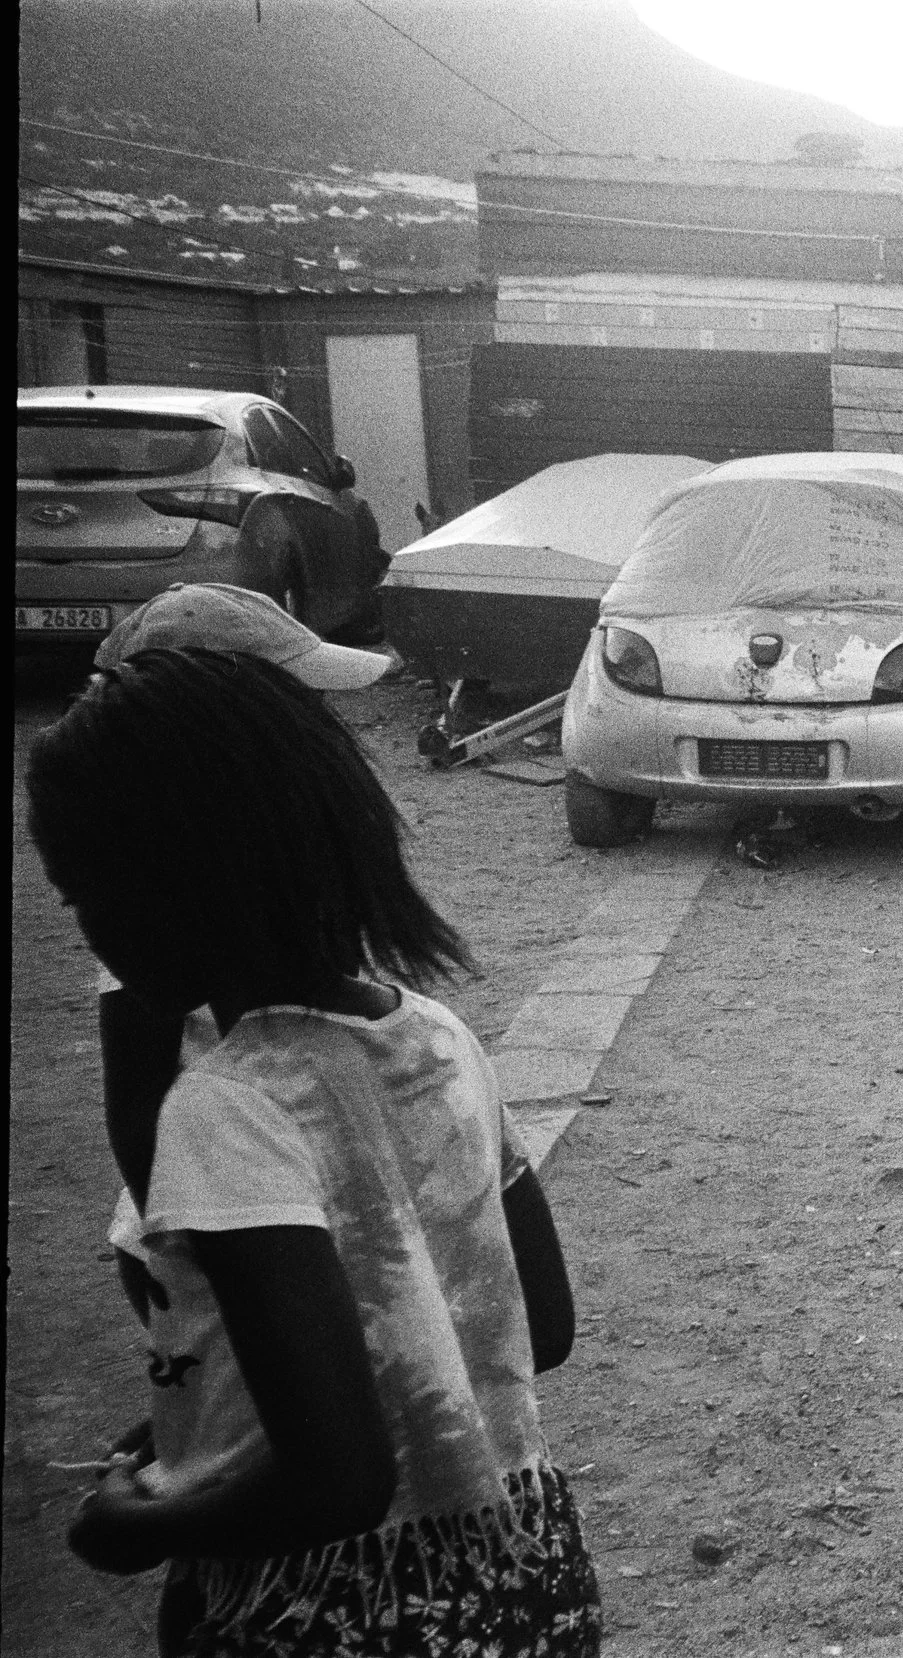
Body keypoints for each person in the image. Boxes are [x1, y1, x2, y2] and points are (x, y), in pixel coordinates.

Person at [25, 649, 598, 1656]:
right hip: (526, 1581)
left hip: (332, 1618)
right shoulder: (437, 1035)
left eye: (82, 898)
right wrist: (206, 1436)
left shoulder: (227, 1106)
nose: (92, 937)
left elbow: (337, 1480)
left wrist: (142, 1520)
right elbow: (537, 1329)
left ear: (174, 881)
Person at [83, 584, 395, 1338]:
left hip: (294, 1174)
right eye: (304, 700)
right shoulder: (165, 894)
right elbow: (136, 1108)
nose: (328, 721)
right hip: (222, 1207)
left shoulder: (286, 844)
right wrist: (186, 1263)